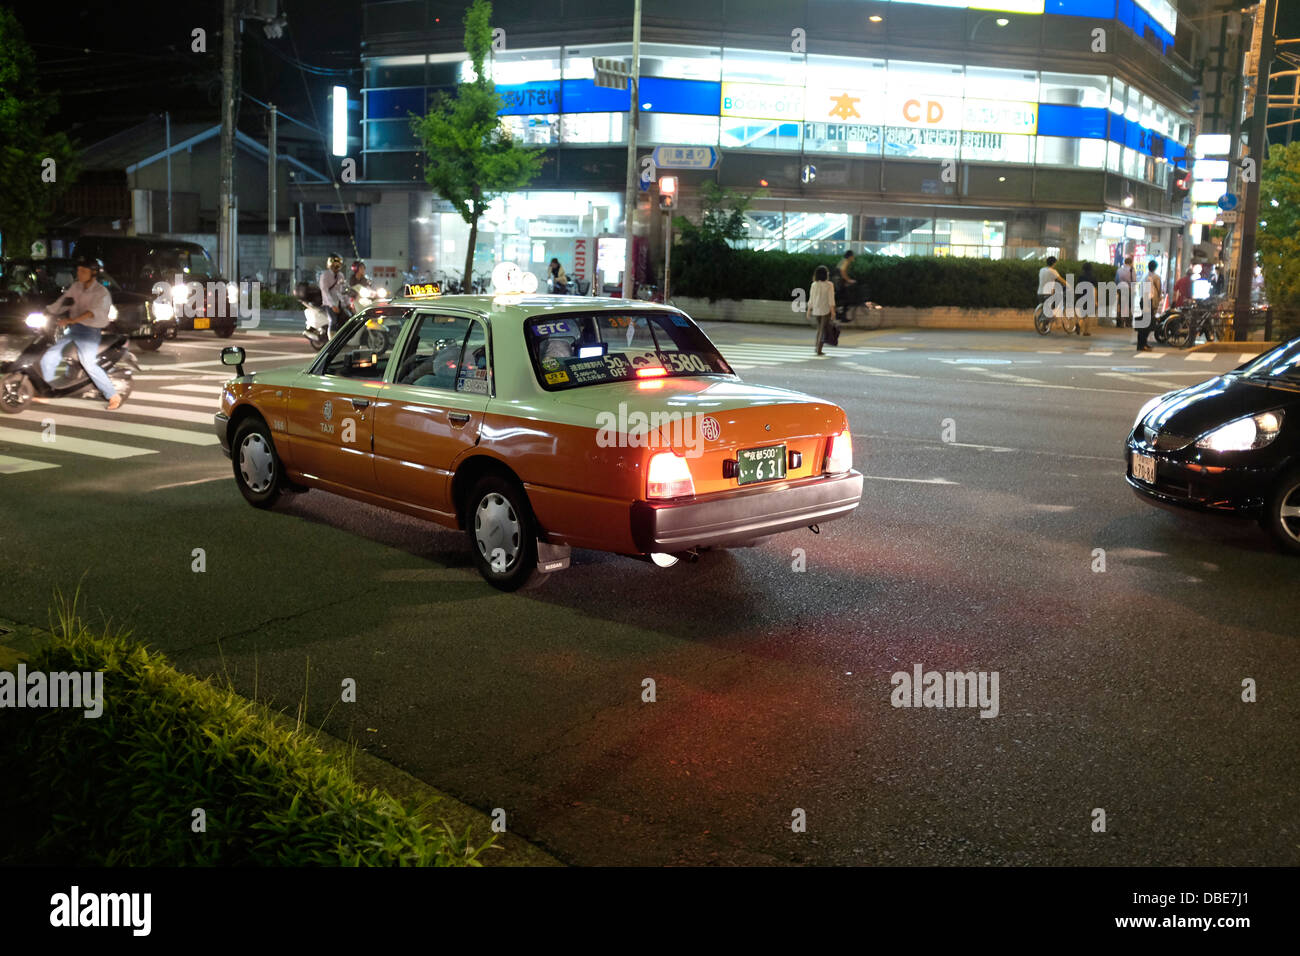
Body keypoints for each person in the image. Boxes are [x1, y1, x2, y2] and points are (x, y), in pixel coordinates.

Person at [38, 256, 122, 410]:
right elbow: (63, 302)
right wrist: (47, 311)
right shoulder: (76, 287)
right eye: (78, 270)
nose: (79, 273)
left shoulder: (101, 292)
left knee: (87, 362)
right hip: (73, 330)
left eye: (83, 271)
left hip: (90, 332)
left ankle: (113, 395)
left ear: (93, 273)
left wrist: (73, 320)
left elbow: (92, 313)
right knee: (49, 357)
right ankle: (48, 391)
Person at [807, 265, 837, 356]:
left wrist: (809, 310)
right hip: (825, 310)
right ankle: (818, 349)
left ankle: (817, 347)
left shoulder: (814, 285)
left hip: (816, 310)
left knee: (820, 329)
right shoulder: (829, 285)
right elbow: (831, 299)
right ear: (825, 275)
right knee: (822, 330)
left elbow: (811, 298)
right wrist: (833, 312)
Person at [318, 254, 348, 337]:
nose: (336, 266)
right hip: (328, 304)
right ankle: (331, 341)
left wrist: (347, 303)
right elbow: (325, 292)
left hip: (339, 302)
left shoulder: (341, 275)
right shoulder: (325, 275)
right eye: (335, 264)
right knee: (333, 320)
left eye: (338, 264)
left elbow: (343, 290)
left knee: (347, 318)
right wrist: (332, 305)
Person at [1137, 259, 1161, 352]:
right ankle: (1142, 344)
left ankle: (1142, 343)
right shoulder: (1155, 277)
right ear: (1155, 268)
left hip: (1143, 300)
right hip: (1148, 301)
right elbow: (1158, 290)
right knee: (1147, 324)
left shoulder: (1144, 276)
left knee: (1144, 323)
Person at [1037, 255, 1064, 323]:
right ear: (1054, 263)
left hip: (1039, 293)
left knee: (1046, 307)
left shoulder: (1042, 270)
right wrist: (1069, 286)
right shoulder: (1053, 271)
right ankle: (1050, 317)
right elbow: (1062, 280)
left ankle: (1044, 327)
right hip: (1048, 294)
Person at [1075, 261, 1096, 336]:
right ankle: (1086, 331)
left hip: (1080, 296)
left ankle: (1078, 323)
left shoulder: (1080, 277)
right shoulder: (1093, 277)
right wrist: (1096, 300)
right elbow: (1095, 289)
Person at [1116, 255, 1136, 328]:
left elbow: (1116, 281)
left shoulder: (1119, 270)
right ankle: (1128, 323)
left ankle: (1120, 322)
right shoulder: (1132, 270)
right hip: (1129, 289)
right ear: (1131, 263)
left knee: (1120, 305)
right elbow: (1134, 281)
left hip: (1120, 289)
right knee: (1129, 306)